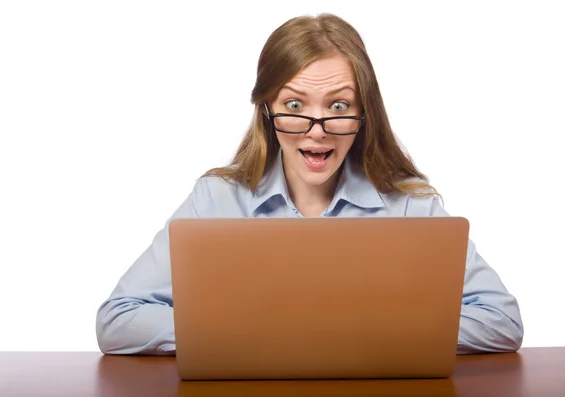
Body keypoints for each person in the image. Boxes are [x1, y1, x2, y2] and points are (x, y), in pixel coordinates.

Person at [96, 13, 523, 356]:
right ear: (267, 109)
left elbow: (501, 320)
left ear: (363, 114)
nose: (315, 130)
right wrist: (251, 333)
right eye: (294, 105)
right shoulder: (216, 200)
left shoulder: (410, 205)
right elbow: (117, 318)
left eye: (338, 105)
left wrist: (355, 334)